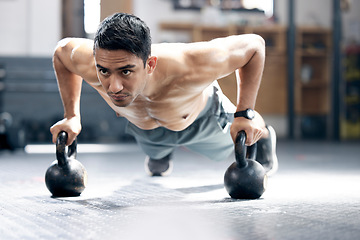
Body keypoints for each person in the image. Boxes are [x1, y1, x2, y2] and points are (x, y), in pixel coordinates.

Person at [50, 12, 278, 177]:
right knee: (156, 162)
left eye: (126, 71)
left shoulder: (192, 63)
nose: (113, 87)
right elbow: (61, 52)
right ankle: (161, 152)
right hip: (146, 130)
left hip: (203, 121)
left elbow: (254, 45)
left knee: (247, 129)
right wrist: (72, 116)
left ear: (150, 64)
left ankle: (264, 135)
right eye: (104, 72)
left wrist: (244, 113)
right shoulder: (91, 62)